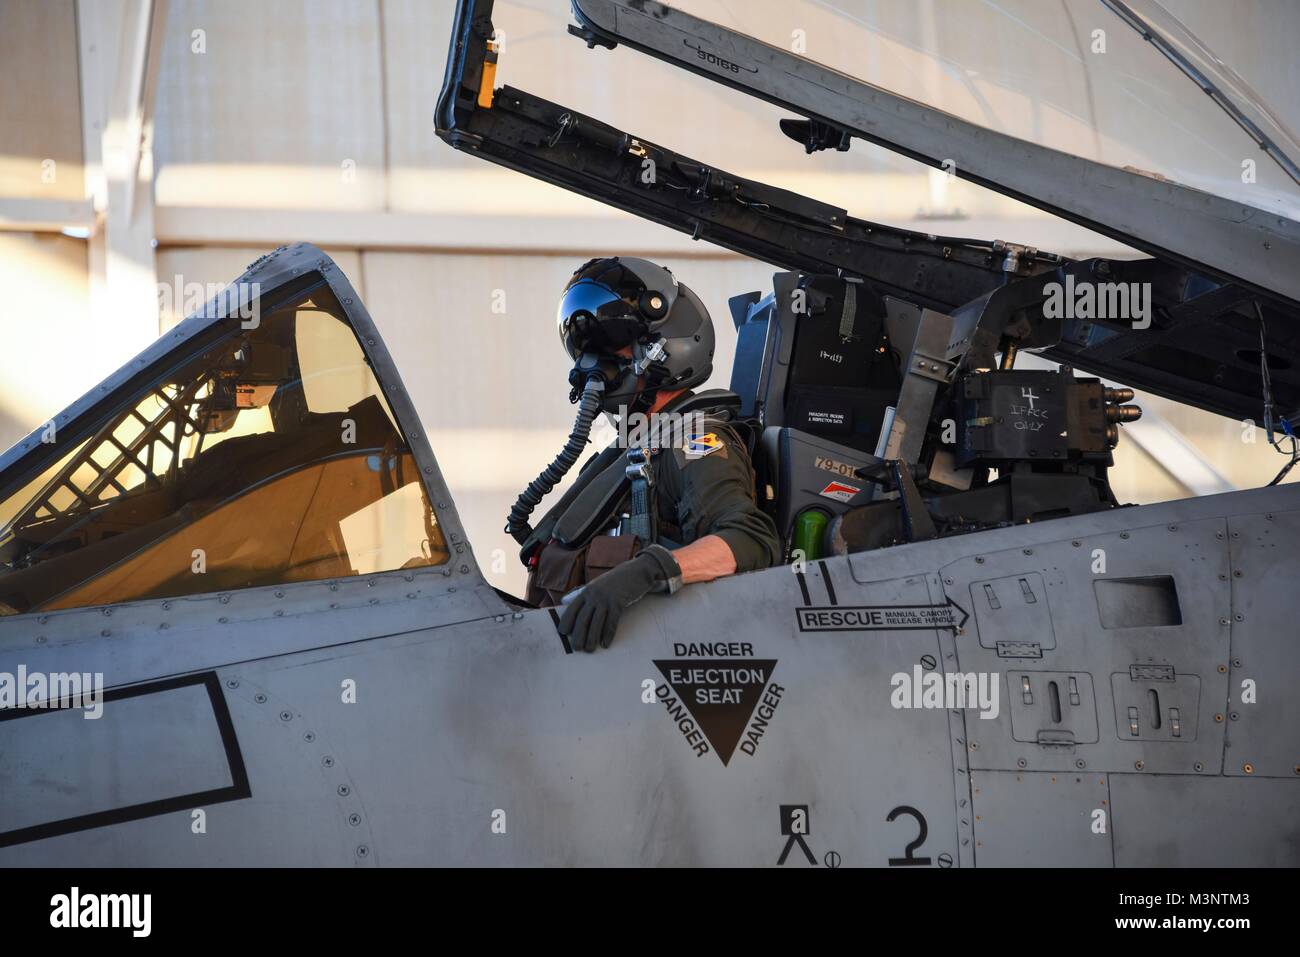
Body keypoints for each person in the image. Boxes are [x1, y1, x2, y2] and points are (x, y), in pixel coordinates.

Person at [510, 257, 779, 652]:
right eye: (587, 354)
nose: (591, 368)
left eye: (609, 349)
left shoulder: (695, 439)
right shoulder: (624, 454)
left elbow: (751, 540)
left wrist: (645, 574)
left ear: (661, 349)